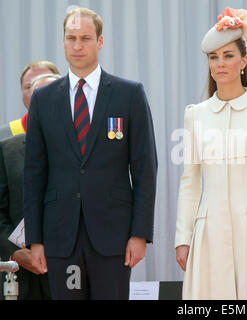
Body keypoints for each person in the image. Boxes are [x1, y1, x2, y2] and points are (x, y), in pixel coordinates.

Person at [23, 8, 158, 300]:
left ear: (100, 41)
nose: (77, 45)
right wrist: (35, 240)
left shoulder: (129, 94)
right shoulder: (43, 100)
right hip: (60, 237)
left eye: (85, 38)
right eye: (71, 38)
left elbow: (145, 167)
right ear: (62, 42)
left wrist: (139, 233)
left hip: (114, 236)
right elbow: (34, 173)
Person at [174, 7, 247, 300]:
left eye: (227, 56)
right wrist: (182, 239)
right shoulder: (195, 115)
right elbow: (190, 183)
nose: (220, 64)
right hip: (208, 230)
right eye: (214, 57)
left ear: (243, 61)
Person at [0, 73, 60, 300]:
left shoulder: (86, 153)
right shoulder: (6, 151)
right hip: (20, 275)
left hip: (69, 271)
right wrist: (14, 252)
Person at [0, 61, 59, 141]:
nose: (37, 93)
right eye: (29, 87)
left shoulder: (77, 131)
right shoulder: (4, 135)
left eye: (46, 86)